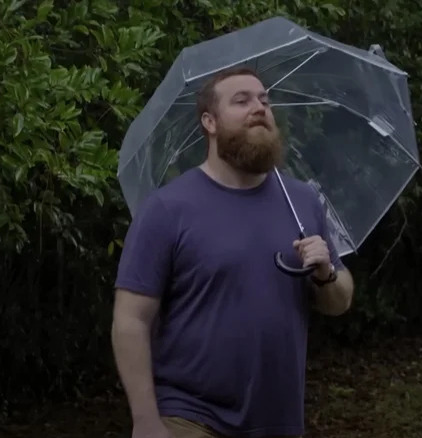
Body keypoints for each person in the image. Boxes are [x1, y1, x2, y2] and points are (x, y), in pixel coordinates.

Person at [111, 66, 355, 438]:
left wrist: (326, 273)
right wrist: (145, 420)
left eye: (264, 100)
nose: (259, 107)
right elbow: (131, 320)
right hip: (190, 416)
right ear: (209, 121)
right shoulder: (168, 208)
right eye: (241, 101)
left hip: (279, 420)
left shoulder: (302, 201)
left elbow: (340, 301)